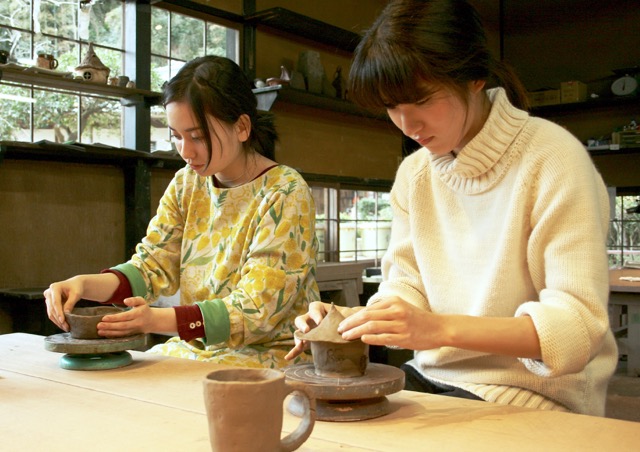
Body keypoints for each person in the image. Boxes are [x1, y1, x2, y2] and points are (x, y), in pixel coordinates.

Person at [286, 0, 617, 416]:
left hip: (533, 393)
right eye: (392, 107)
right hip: (432, 380)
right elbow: (406, 287)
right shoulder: (415, 175)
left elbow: (576, 329)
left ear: (474, 77)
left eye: (421, 100)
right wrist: (347, 319)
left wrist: (438, 328)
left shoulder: (553, 159)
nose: (407, 125)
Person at [45, 55, 320, 369]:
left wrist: (155, 320)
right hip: (200, 347)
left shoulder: (284, 190)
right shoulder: (187, 183)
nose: (186, 152)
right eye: (176, 136)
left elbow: (257, 311)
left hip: (274, 353)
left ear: (242, 127)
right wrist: (83, 285)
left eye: (198, 137)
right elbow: (153, 265)